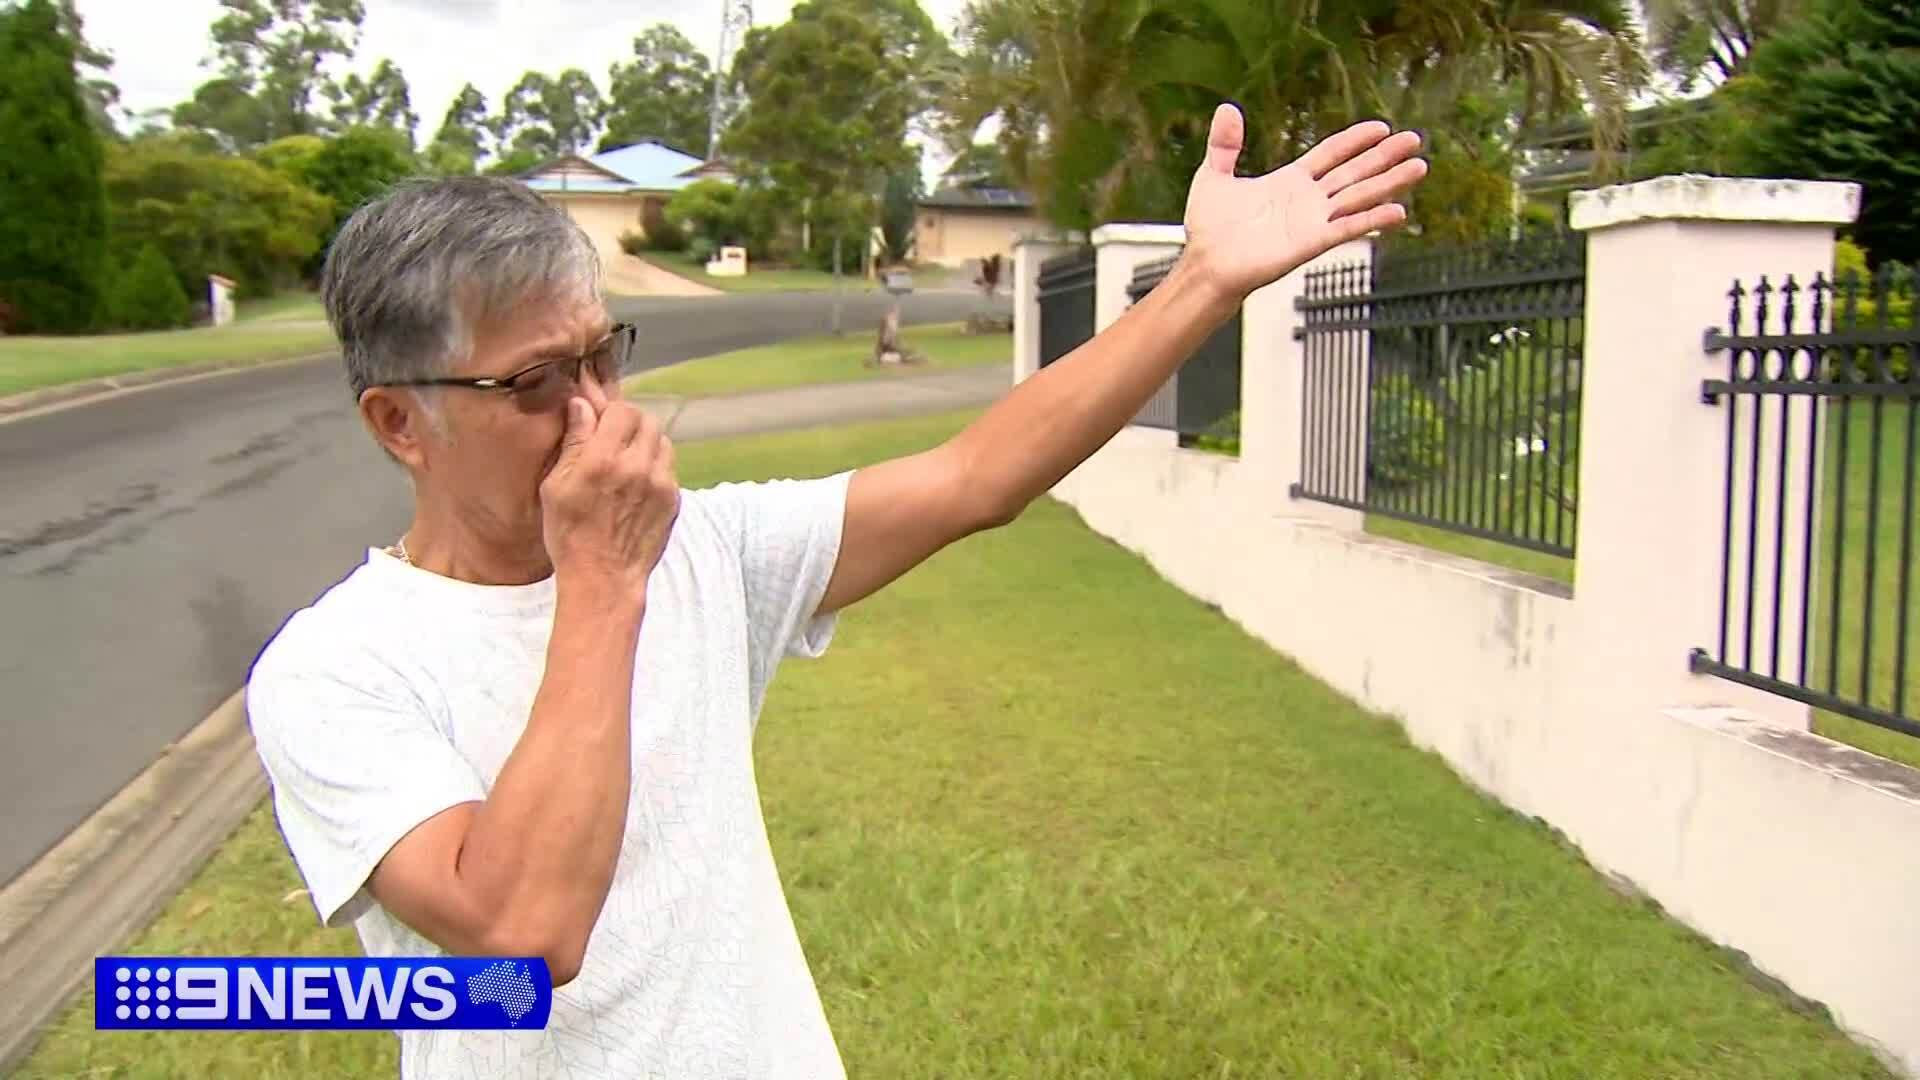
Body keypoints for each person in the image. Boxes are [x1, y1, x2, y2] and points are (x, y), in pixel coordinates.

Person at [245, 103, 1426, 1078]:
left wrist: (1201, 286)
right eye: (541, 381)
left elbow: (974, 477)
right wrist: (602, 585)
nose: (603, 415)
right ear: (402, 421)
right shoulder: (336, 670)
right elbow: (522, 931)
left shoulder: (703, 548)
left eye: (606, 356)